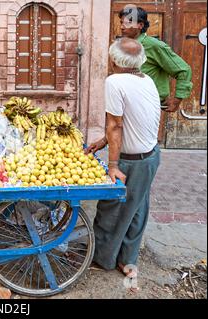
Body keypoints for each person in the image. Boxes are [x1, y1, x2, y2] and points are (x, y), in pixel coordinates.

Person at [86, 38, 161, 285]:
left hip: (132, 161)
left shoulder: (114, 81)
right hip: (149, 156)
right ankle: (127, 259)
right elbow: (130, 120)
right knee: (137, 209)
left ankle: (104, 259)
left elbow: (116, 124)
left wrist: (113, 165)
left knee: (112, 209)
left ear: (115, 60)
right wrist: (103, 141)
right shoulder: (146, 80)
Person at [119, 6, 193, 112]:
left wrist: (176, 100)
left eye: (127, 23)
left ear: (140, 25)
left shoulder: (153, 45)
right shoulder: (123, 46)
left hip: (147, 104)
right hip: (126, 103)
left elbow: (184, 70)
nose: (122, 27)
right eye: (121, 22)